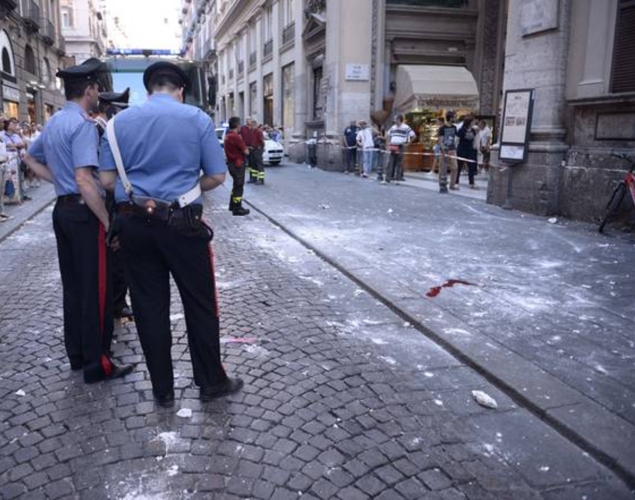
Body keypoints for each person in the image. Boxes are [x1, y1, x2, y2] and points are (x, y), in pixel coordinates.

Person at [99, 61, 243, 406]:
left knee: (148, 308)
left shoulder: (117, 124)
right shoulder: (195, 119)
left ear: (150, 90)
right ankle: (211, 382)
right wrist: (184, 189)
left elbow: (105, 181)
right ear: (179, 90)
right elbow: (218, 176)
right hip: (182, 225)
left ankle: (162, 391)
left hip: (134, 225)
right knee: (200, 305)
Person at [22, 58, 133, 384]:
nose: (99, 92)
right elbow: (85, 179)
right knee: (96, 289)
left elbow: (29, 157)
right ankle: (98, 363)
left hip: (63, 211)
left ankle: (78, 355)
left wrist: (59, 182)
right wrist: (107, 221)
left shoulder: (55, 122)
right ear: (88, 90)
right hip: (84, 214)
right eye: (97, 87)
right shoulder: (83, 124)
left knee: (73, 287)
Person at [94, 88, 134, 320]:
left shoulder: (105, 128)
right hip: (110, 199)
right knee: (116, 254)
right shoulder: (98, 129)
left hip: (115, 197)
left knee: (119, 255)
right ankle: (116, 302)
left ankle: (118, 300)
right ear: (110, 109)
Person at [224, 116, 250, 216]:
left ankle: (232, 205)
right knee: (239, 187)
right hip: (238, 165)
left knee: (235, 185)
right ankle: (237, 208)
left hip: (231, 164)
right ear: (238, 125)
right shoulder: (235, 137)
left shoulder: (227, 135)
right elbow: (246, 152)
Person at [2, 118, 30, 201]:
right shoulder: (2, 135)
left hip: (18, 160)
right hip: (8, 160)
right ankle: (10, 196)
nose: (14, 126)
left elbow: (23, 144)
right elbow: (6, 146)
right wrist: (14, 145)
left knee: (21, 178)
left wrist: (13, 145)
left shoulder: (16, 135)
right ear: (8, 126)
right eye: (12, 124)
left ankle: (22, 195)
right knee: (9, 178)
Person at [386, 114, 415, 184]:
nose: (394, 120)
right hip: (393, 145)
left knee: (399, 162)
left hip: (400, 146)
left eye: (395, 119)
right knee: (390, 162)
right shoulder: (393, 127)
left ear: (399, 119)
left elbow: (413, 135)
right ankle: (388, 178)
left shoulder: (405, 127)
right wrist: (388, 142)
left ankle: (397, 179)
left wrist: (407, 144)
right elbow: (388, 134)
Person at [456, 115, 479, 189]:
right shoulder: (462, 130)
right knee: (459, 166)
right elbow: (457, 139)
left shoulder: (473, 130)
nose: (474, 123)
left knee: (471, 166)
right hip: (462, 149)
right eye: (473, 121)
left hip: (470, 150)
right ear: (469, 122)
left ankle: (471, 183)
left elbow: (475, 138)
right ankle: (456, 181)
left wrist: (475, 147)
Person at [438, 110, 459, 190]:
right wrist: (443, 148)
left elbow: (456, 137)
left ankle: (452, 184)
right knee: (443, 168)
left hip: (452, 149)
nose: (455, 118)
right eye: (454, 117)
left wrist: (455, 145)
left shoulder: (454, 127)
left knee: (455, 167)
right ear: (450, 118)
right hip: (444, 150)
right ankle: (442, 184)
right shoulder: (442, 128)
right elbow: (440, 140)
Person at [250, 119, 266, 185]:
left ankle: (261, 179)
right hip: (253, 149)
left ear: (256, 125)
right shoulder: (252, 131)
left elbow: (262, 141)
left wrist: (261, 148)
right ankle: (254, 178)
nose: (252, 127)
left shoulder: (259, 131)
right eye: (251, 125)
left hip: (258, 150)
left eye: (253, 125)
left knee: (259, 164)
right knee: (254, 165)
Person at [240, 117, 255, 182]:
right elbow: (239, 136)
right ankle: (243, 178)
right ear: (246, 121)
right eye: (248, 120)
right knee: (245, 164)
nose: (250, 121)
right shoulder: (242, 129)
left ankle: (253, 177)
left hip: (253, 148)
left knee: (253, 163)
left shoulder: (254, 129)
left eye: (251, 120)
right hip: (245, 148)